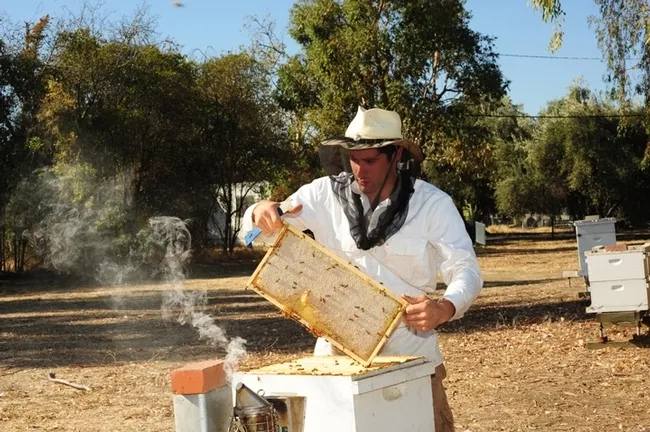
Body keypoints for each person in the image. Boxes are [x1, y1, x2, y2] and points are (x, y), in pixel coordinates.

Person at [243, 106, 483, 432]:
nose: (360, 169)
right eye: (354, 158)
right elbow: (256, 232)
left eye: (370, 160)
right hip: (335, 364)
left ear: (396, 154)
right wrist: (260, 210)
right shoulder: (320, 195)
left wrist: (445, 307)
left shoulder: (433, 204)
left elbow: (465, 268)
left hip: (411, 360)